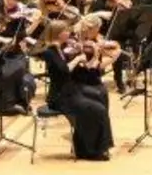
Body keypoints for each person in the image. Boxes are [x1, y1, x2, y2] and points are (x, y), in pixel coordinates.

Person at [39, 22, 115, 160]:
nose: (69, 34)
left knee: (100, 96)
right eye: (66, 31)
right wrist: (78, 59)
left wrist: (89, 54)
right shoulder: (49, 52)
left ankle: (96, 146)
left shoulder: (60, 48)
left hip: (70, 91)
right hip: (60, 97)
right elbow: (63, 71)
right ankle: (90, 151)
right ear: (58, 33)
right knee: (98, 109)